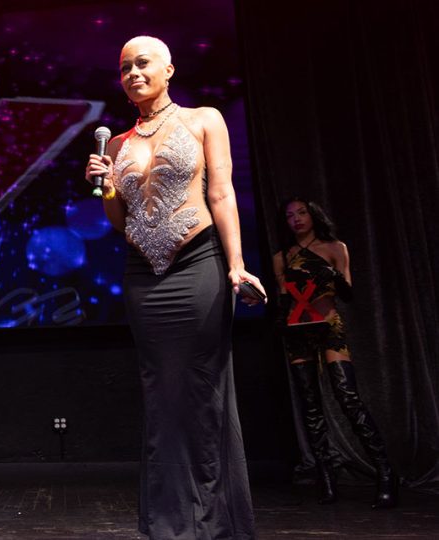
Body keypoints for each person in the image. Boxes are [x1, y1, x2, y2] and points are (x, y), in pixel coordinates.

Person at [85, 36, 263, 539]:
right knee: (160, 397)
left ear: (169, 69)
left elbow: (221, 193)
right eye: (125, 67)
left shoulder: (203, 119)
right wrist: (107, 186)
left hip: (199, 264)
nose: (133, 73)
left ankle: (216, 523)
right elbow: (120, 222)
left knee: (203, 392)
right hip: (143, 276)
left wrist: (236, 265)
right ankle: (168, 526)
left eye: (143, 63)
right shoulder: (116, 144)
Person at [273, 197, 397, 508]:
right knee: (310, 405)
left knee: (347, 396)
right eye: (289, 216)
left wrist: (331, 275)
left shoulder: (335, 248)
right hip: (298, 330)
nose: (296, 219)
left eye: (301, 213)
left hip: (328, 326)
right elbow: (283, 298)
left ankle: (386, 473)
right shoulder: (282, 257)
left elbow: (348, 293)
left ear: (313, 215)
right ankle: (326, 479)